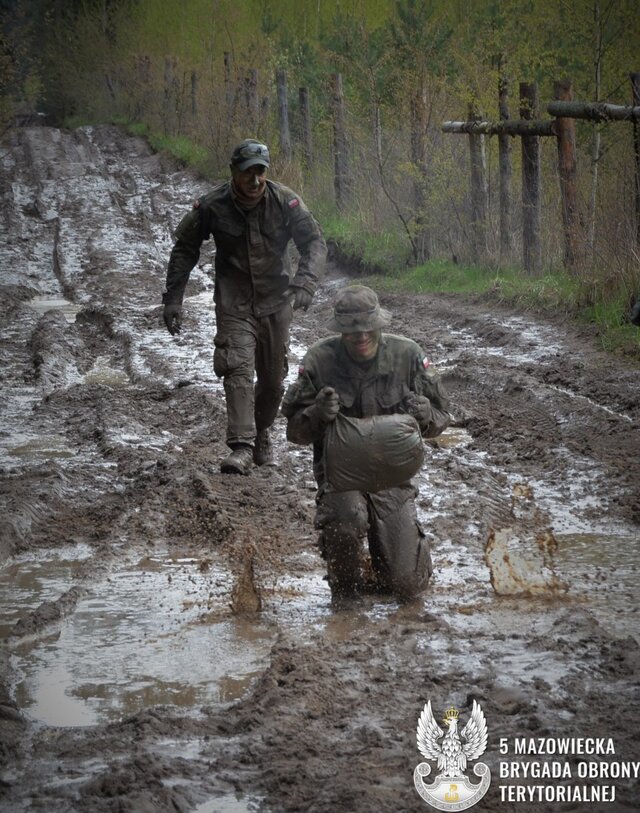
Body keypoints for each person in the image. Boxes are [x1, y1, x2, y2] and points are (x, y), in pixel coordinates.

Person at [162, 138, 327, 474]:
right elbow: (184, 250)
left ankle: (262, 431)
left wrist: (306, 282)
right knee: (237, 369)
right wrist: (173, 299)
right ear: (233, 173)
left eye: (260, 172)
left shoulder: (286, 201)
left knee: (273, 380)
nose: (254, 180)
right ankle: (241, 446)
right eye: (247, 172)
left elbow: (314, 242)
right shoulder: (212, 205)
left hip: (277, 301)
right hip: (234, 302)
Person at [281, 285, 452, 601]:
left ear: (379, 324)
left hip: (393, 481)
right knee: (346, 522)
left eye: (367, 329)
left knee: (405, 585)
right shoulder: (320, 360)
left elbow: (442, 418)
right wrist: (317, 413)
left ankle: (393, 554)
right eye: (351, 330)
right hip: (342, 480)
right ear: (340, 330)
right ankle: (343, 585)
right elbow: (294, 432)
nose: (361, 337)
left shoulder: (408, 356)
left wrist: (427, 415)